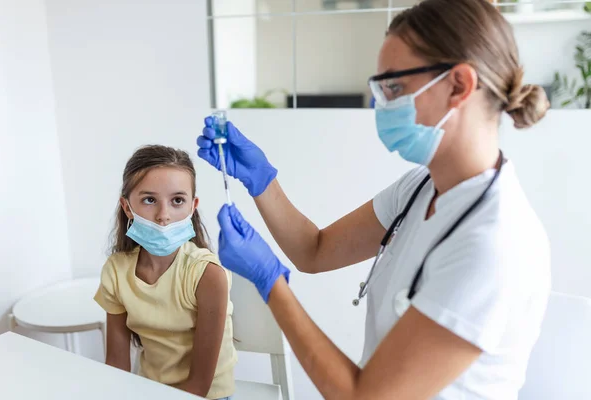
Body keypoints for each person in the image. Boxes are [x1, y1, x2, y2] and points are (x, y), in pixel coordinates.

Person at [197, 0, 552, 399]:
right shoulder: (420, 187)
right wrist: (259, 179)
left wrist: (270, 282)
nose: (381, 105)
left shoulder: (494, 241)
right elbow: (314, 251)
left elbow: (365, 397)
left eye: (395, 87)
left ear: (459, 86)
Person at [93, 145, 236, 400]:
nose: (163, 216)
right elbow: (116, 365)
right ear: (127, 208)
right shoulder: (116, 272)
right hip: (151, 390)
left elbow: (199, 386)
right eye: (149, 200)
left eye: (177, 201)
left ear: (193, 207)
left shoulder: (208, 275)